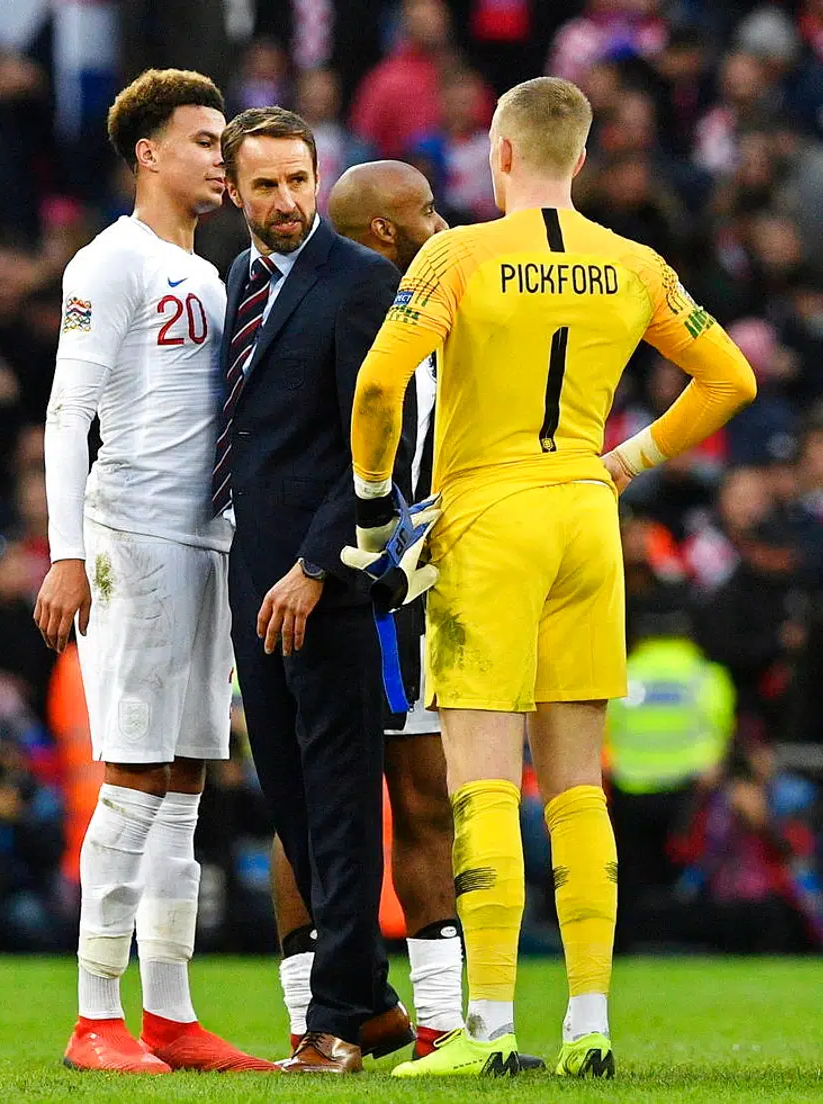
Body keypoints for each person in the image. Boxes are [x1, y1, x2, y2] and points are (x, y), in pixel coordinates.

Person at [347, 76, 756, 1079]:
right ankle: (589, 1024)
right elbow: (732, 378)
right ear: (579, 157)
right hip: (585, 512)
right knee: (578, 790)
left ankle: (485, 1029)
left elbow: (376, 382)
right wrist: (627, 462)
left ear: (498, 152)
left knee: (483, 776)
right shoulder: (634, 263)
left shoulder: (457, 254)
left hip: (490, 517)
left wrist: (370, 517)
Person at [33, 68, 271, 1075]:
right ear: (150, 154)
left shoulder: (209, 275)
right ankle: (96, 1018)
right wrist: (67, 553)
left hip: (204, 541)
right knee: (133, 775)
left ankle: (169, 1013)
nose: (222, 158)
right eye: (206, 140)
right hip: (131, 539)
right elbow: (63, 412)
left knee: (184, 782)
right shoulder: (110, 262)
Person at [214, 108, 406, 1075]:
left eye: (298, 182)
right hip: (252, 573)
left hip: (322, 579)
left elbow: (380, 447)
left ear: (316, 179)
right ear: (234, 192)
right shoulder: (233, 285)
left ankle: (336, 1021)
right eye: (265, 186)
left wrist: (319, 565)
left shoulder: (361, 283)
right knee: (288, 794)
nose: (286, 202)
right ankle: (370, 1002)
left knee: (335, 795)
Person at [260, 158, 464, 1058]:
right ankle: (316, 1018)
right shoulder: (350, 308)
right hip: (358, 579)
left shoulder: (448, 308)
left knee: (422, 798)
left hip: (417, 581)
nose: (442, 221)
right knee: (313, 801)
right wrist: (324, 563)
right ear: (384, 230)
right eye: (424, 210)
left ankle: (441, 1023)